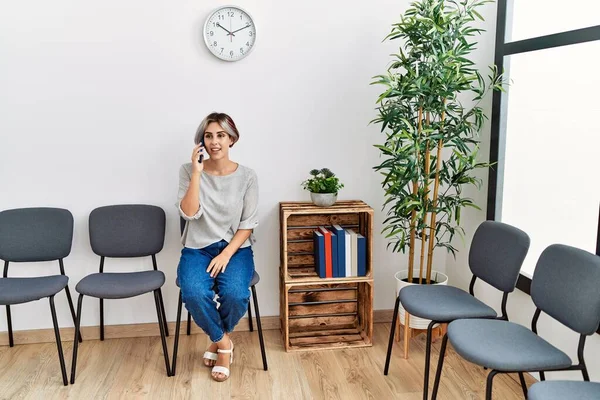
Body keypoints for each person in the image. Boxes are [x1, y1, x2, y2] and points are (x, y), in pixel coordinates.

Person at [176, 112, 258, 382]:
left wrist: (226, 253)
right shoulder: (188, 171)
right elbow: (189, 213)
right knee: (193, 292)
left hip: (235, 248)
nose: (214, 142)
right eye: (208, 136)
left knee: (235, 294)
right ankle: (224, 344)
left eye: (221, 135)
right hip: (197, 247)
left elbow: (247, 224)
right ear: (201, 141)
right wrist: (197, 174)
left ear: (231, 139)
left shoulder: (247, 176)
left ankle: (216, 343)